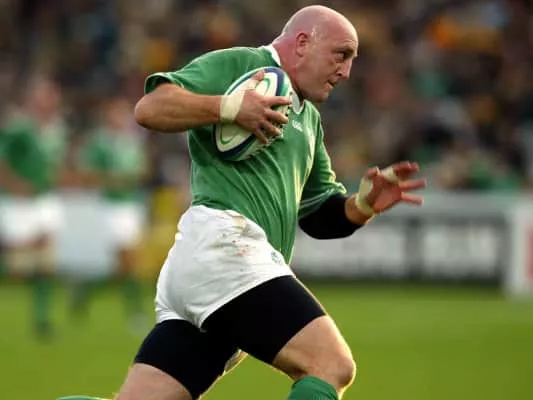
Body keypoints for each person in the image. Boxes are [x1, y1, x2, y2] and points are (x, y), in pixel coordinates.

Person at [58, 5, 425, 400]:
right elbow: (151, 108)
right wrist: (230, 107)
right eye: (342, 54)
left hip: (208, 268)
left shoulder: (309, 120)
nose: (347, 71)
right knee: (331, 365)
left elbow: (318, 215)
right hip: (225, 249)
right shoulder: (244, 65)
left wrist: (363, 205)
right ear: (303, 43)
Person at [70, 96, 148, 331]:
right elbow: (86, 173)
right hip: (109, 207)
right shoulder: (100, 143)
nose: (120, 118)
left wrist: (134, 176)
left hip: (131, 205)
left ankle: (83, 293)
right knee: (128, 261)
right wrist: (110, 179)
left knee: (121, 267)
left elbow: (143, 169)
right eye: (116, 113)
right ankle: (136, 312)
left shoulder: (132, 142)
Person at [0, 75, 69, 340]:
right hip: (19, 202)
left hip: (44, 199)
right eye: (44, 96)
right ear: (33, 100)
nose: (49, 102)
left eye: (52, 96)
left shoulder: (56, 129)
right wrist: (13, 184)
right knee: (18, 266)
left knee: (46, 261)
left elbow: (54, 162)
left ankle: (42, 319)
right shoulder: (18, 128)